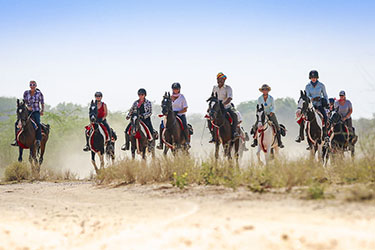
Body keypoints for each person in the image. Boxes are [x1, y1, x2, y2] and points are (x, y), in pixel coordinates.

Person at [296, 70, 329, 143]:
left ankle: (325, 135)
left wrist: (327, 103)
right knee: (302, 118)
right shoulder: (307, 86)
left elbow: (325, 95)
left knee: (325, 117)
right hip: (311, 105)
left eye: (315, 77)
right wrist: (313, 99)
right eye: (312, 77)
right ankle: (300, 135)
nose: (313, 78)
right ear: (310, 78)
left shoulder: (321, 85)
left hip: (320, 105)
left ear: (317, 77)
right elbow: (307, 96)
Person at [11, 80, 44, 147]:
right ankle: (16, 140)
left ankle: (38, 140)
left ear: (36, 86)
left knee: (37, 123)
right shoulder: (26, 93)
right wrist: (27, 107)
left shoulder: (39, 93)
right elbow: (24, 103)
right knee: (17, 123)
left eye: (34, 85)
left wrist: (42, 111)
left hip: (36, 111)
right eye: (31, 85)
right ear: (29, 86)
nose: (32, 86)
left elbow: (42, 103)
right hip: (27, 111)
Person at [208, 72, 239, 143]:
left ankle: (234, 133)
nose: (220, 81)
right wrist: (211, 107)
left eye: (222, 79)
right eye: (219, 79)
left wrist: (222, 104)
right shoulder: (214, 87)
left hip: (226, 107)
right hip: (216, 108)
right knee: (209, 118)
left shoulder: (228, 88)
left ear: (224, 80)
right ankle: (213, 136)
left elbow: (229, 98)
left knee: (234, 116)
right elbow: (212, 97)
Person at [157, 82, 190, 150]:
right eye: (174, 89)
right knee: (161, 125)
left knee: (185, 125)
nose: (175, 90)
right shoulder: (169, 98)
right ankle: (160, 143)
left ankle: (187, 142)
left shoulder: (182, 97)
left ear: (179, 89)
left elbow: (185, 109)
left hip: (180, 115)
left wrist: (178, 112)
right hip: (170, 115)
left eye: (176, 89)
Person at [251, 84, 284, 148]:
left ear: (268, 90)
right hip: (262, 114)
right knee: (255, 126)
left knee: (277, 126)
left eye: (266, 89)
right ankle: (255, 141)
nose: (265, 91)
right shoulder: (259, 99)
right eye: (263, 89)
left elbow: (273, 106)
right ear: (262, 91)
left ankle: (279, 142)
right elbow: (259, 107)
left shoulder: (271, 98)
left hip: (270, 114)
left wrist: (272, 112)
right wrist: (260, 113)